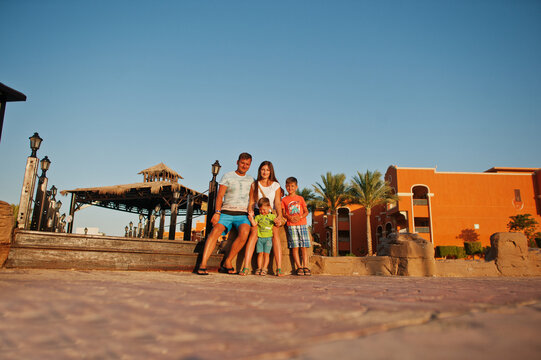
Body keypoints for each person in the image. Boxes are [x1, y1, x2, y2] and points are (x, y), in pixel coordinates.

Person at [197, 153, 254, 275]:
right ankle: (203, 264)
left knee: (245, 232)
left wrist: (250, 212)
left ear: (250, 165)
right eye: (242, 163)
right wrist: (217, 213)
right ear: (237, 162)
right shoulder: (227, 176)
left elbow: (251, 199)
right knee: (215, 231)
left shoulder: (250, 180)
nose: (244, 166)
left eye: (247, 164)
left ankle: (227, 261)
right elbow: (220, 196)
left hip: (242, 214)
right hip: (226, 212)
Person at [239, 161, 285, 276]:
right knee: (254, 233)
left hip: (270, 214)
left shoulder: (276, 185)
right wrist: (250, 211)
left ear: (271, 172)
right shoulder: (254, 185)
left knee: (275, 233)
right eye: (263, 169)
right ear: (260, 170)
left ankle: (279, 268)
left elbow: (278, 203)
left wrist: (279, 216)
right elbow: (251, 201)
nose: (265, 172)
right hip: (257, 213)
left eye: (267, 170)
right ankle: (246, 267)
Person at [281, 176, 311, 276]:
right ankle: (299, 267)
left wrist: (300, 217)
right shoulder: (284, 200)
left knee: (303, 247)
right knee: (295, 247)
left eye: (292, 186)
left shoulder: (300, 198)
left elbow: (306, 211)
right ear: (285, 187)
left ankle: (305, 266)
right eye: (288, 186)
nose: (290, 188)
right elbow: (284, 213)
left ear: (296, 187)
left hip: (302, 224)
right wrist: (289, 217)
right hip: (291, 226)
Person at [252, 197, 276, 276]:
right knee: (260, 254)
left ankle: (265, 268)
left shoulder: (272, 216)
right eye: (260, 209)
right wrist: (251, 217)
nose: (262, 211)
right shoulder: (258, 217)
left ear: (269, 207)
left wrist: (277, 221)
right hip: (260, 238)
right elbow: (254, 224)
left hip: (268, 238)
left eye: (264, 209)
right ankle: (259, 267)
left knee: (266, 254)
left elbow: (277, 222)